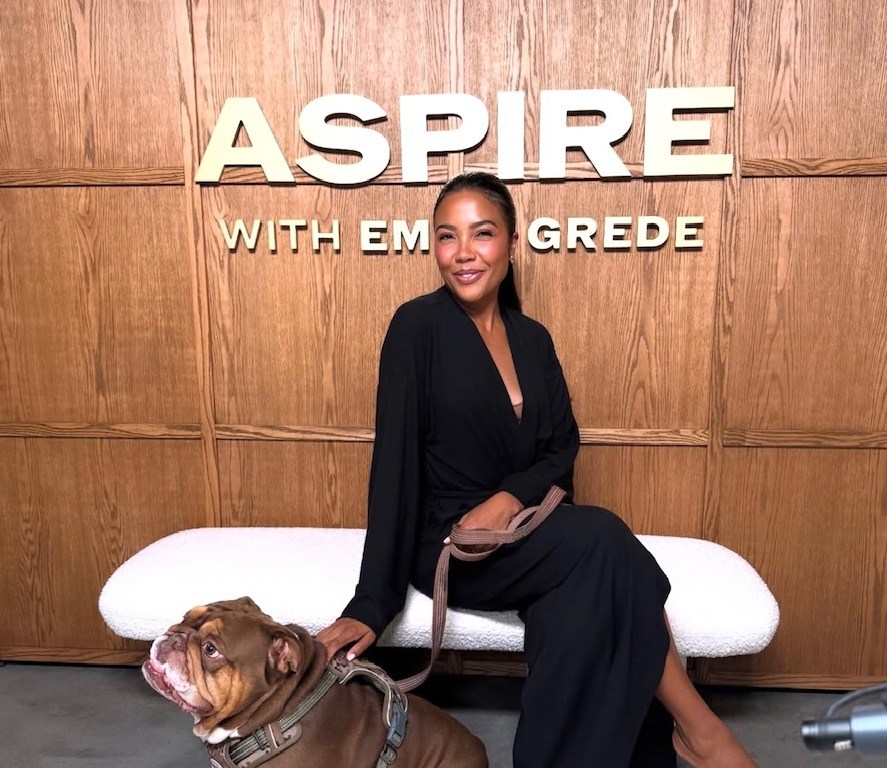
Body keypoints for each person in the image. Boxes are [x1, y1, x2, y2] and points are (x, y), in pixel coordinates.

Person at [318, 172, 755, 767]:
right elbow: (392, 466)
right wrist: (371, 601)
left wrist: (508, 497)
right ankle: (701, 731)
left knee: (580, 600)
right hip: (452, 541)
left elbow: (560, 447)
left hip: (524, 527)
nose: (463, 252)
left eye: (482, 233)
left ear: (511, 242)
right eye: (447, 236)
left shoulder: (533, 338)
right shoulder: (416, 327)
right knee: (604, 538)